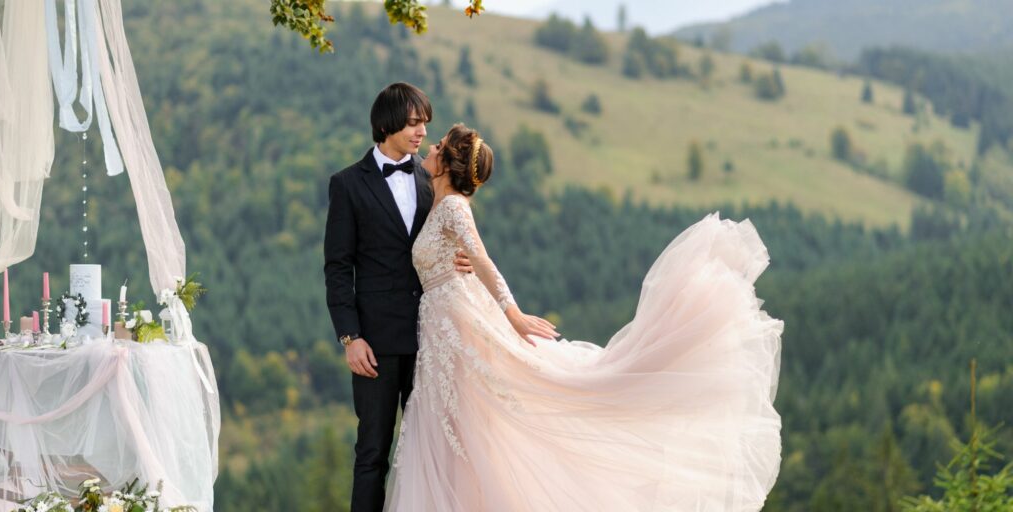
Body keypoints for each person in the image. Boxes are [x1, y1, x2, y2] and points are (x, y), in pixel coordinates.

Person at [385, 123, 784, 511]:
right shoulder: (433, 200)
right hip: (441, 330)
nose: (429, 149)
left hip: (460, 325)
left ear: (449, 164)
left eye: (437, 146)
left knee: (473, 426)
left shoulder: (454, 206)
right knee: (452, 429)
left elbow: (483, 261)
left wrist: (514, 315)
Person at [323, 82, 473, 512]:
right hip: (375, 343)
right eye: (413, 122)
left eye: (425, 122)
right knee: (372, 452)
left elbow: (451, 235)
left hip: (431, 338)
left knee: (431, 450)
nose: (422, 131)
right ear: (386, 124)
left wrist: (459, 260)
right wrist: (350, 337)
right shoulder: (347, 184)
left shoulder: (432, 178)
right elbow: (337, 267)